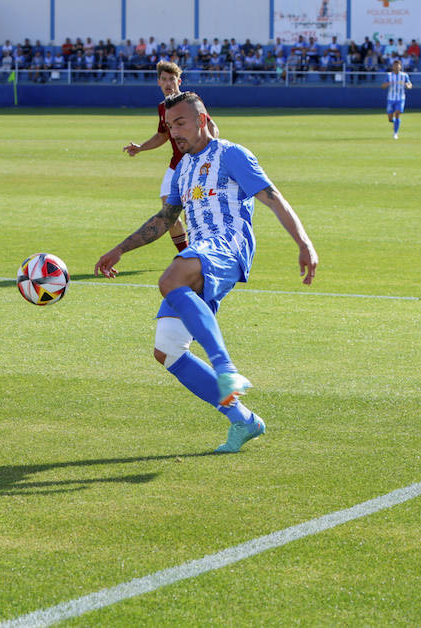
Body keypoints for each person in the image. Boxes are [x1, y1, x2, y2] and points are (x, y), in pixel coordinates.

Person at [97, 92, 317, 453]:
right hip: (202, 255)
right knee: (167, 350)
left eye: (180, 123)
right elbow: (165, 219)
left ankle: (226, 367)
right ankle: (243, 421)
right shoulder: (182, 168)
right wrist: (120, 249)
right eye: (170, 127)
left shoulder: (231, 154)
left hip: (228, 246)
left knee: (169, 280)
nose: (174, 132)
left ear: (201, 120)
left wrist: (304, 243)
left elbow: (272, 197)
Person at [123, 61, 219, 254]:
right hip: (177, 167)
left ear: (179, 81)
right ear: (159, 82)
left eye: (172, 79)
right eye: (164, 79)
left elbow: (212, 127)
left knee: (200, 214)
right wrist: (141, 148)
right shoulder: (163, 108)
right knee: (169, 213)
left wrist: (210, 149)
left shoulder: (191, 101)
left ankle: (207, 253)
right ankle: (186, 254)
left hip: (197, 166)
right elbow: (162, 136)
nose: (168, 84)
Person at [382, 59, 413, 139]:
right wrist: (389, 83)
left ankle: (395, 133)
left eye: (398, 66)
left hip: (400, 98)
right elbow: (383, 86)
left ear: (400, 67)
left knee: (397, 113)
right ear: (392, 67)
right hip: (391, 98)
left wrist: (408, 86)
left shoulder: (404, 75)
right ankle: (394, 122)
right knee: (390, 118)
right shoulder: (389, 75)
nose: (396, 67)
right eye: (395, 66)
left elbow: (409, 84)